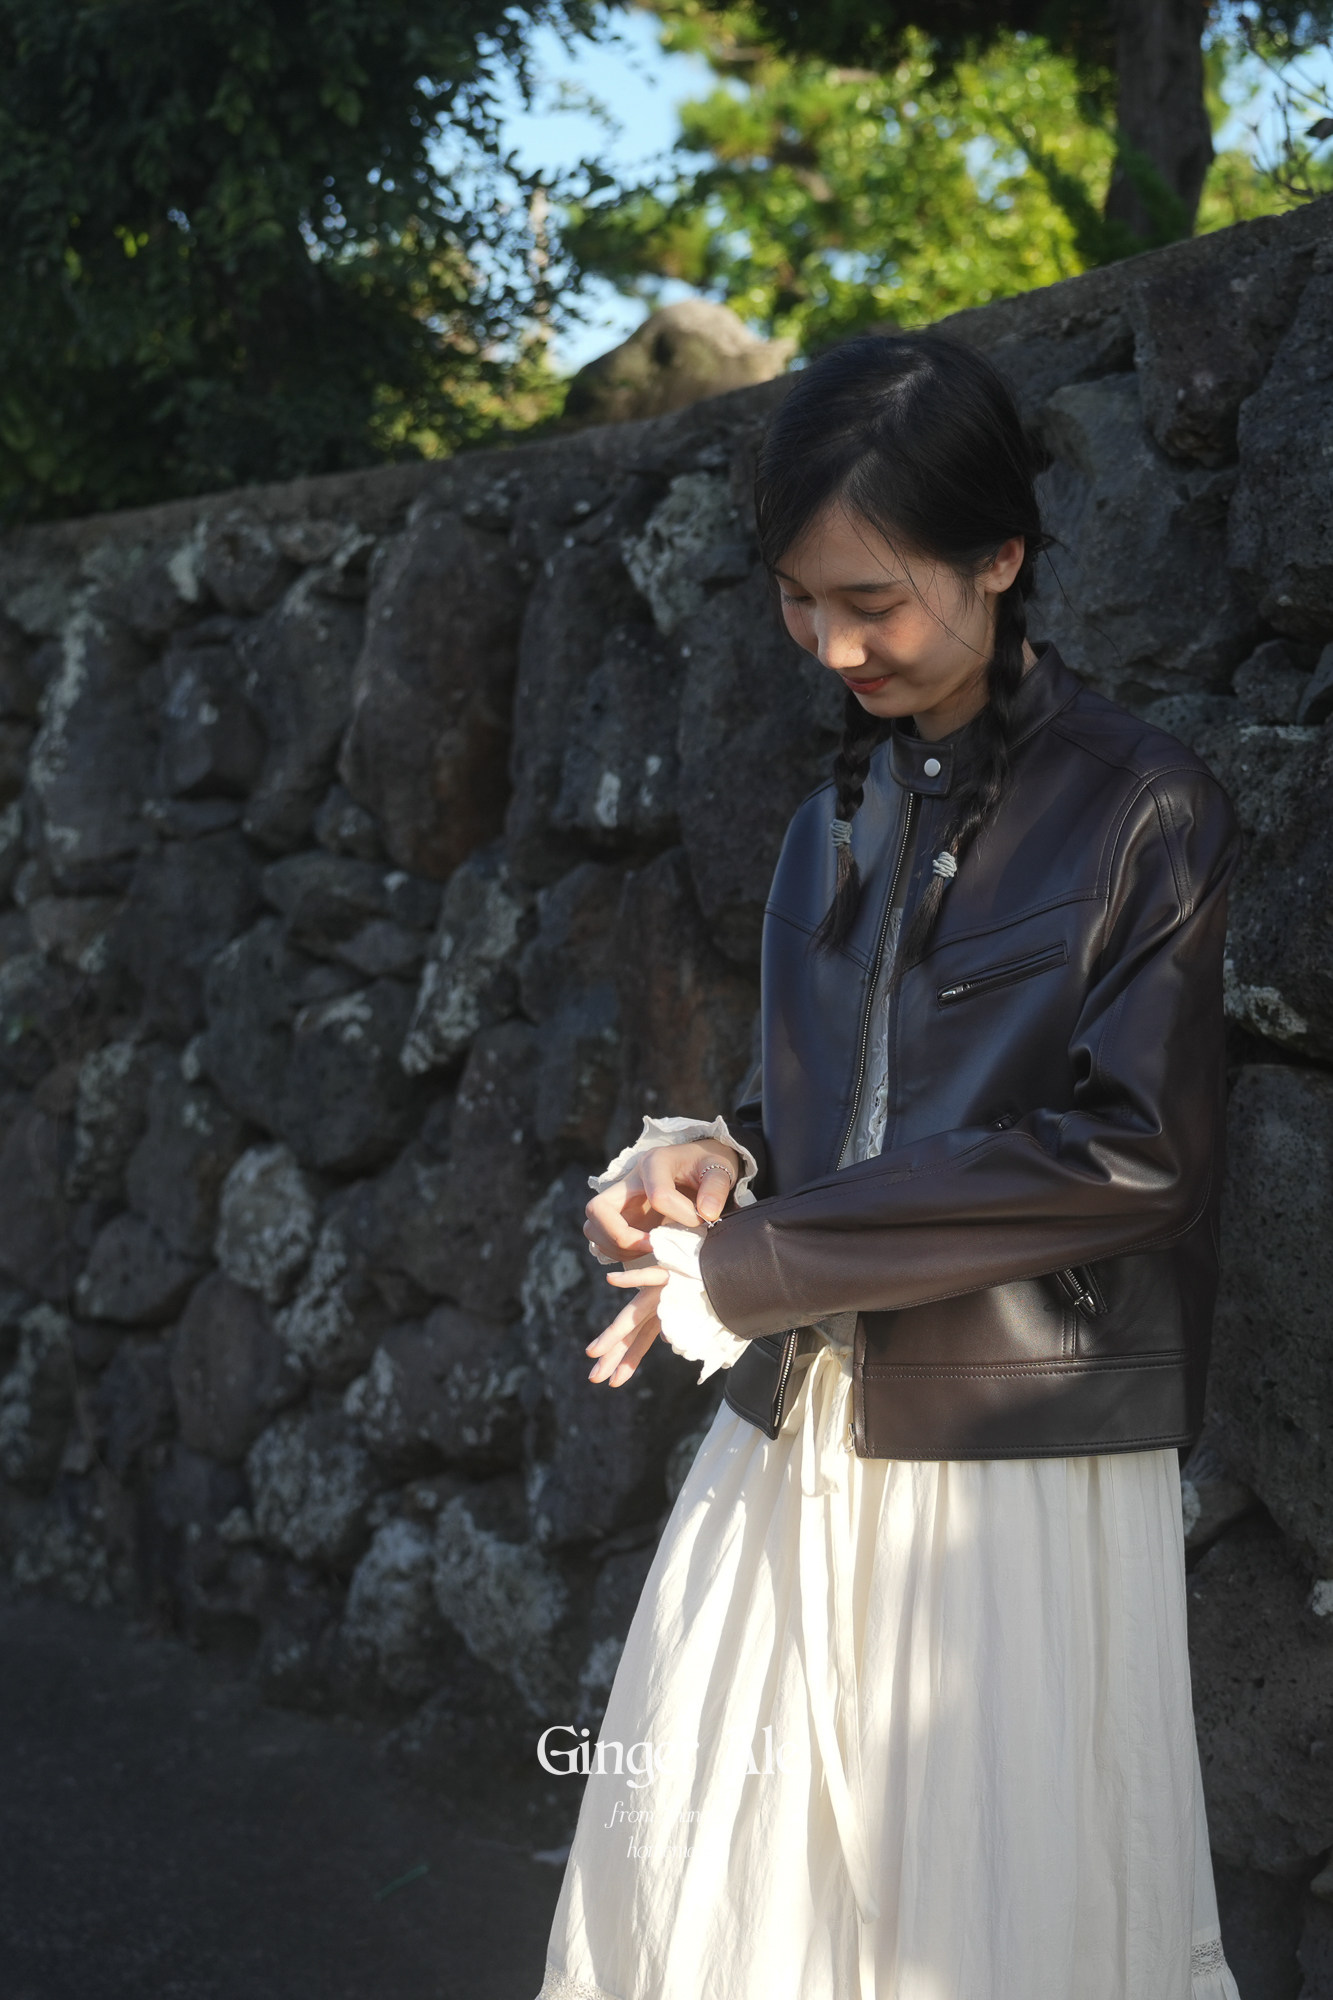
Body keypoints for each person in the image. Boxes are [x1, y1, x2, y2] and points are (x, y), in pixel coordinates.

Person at [534, 332, 1242, 2000]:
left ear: (998, 557)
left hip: (1006, 1460)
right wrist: (710, 1160)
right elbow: (845, 1123)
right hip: (790, 1428)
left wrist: (752, 1268)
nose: (833, 645)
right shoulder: (831, 818)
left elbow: (1131, 1156)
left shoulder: (1142, 810)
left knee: (985, 1929)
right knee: (716, 1898)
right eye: (797, 601)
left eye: (871, 600)